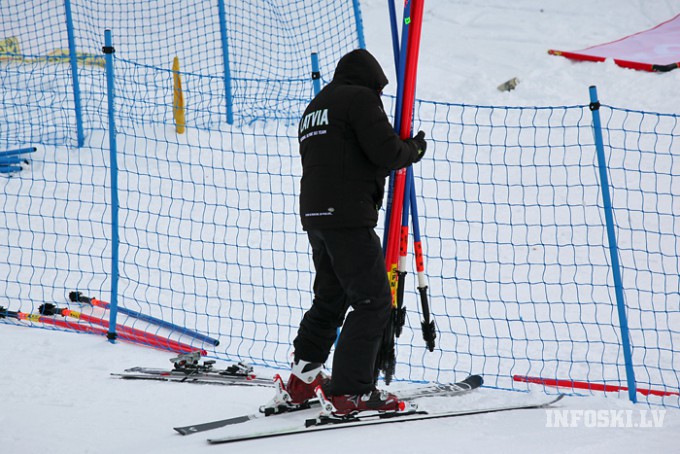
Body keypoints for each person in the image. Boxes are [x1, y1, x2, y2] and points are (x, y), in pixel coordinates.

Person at [283, 48, 427, 415]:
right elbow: (385, 152)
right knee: (372, 301)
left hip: (316, 217)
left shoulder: (316, 105)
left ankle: (303, 380)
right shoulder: (360, 99)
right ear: (372, 81)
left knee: (330, 299)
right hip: (348, 215)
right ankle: (352, 392)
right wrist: (413, 149)